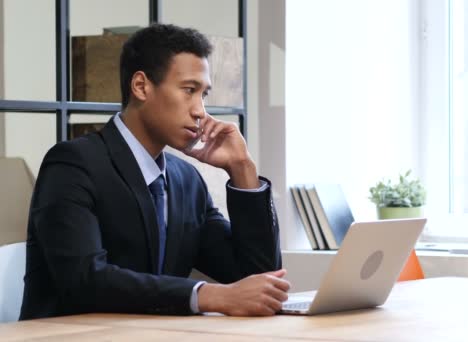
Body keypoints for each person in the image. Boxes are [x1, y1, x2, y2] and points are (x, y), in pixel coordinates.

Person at [20, 24, 289, 319]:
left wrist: (242, 170)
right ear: (141, 86)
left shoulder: (186, 180)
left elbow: (260, 280)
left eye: (204, 94)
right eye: (189, 90)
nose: (200, 110)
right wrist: (207, 295)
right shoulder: (72, 165)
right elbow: (85, 279)